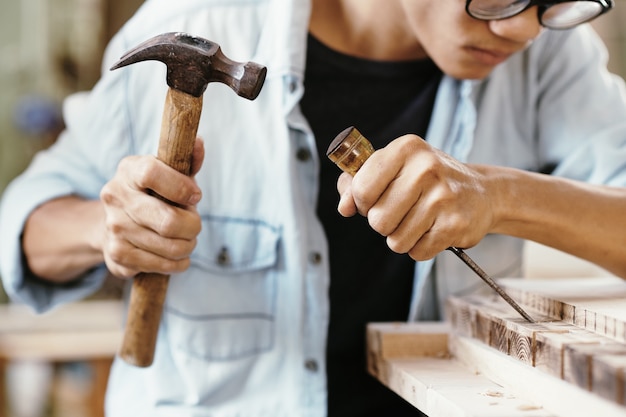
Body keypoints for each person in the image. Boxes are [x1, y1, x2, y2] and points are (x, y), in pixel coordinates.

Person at [1, 0, 624, 415]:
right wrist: (101, 227)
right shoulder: (200, 16)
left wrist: (506, 195)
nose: (522, 27)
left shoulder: (545, 58)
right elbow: (21, 226)